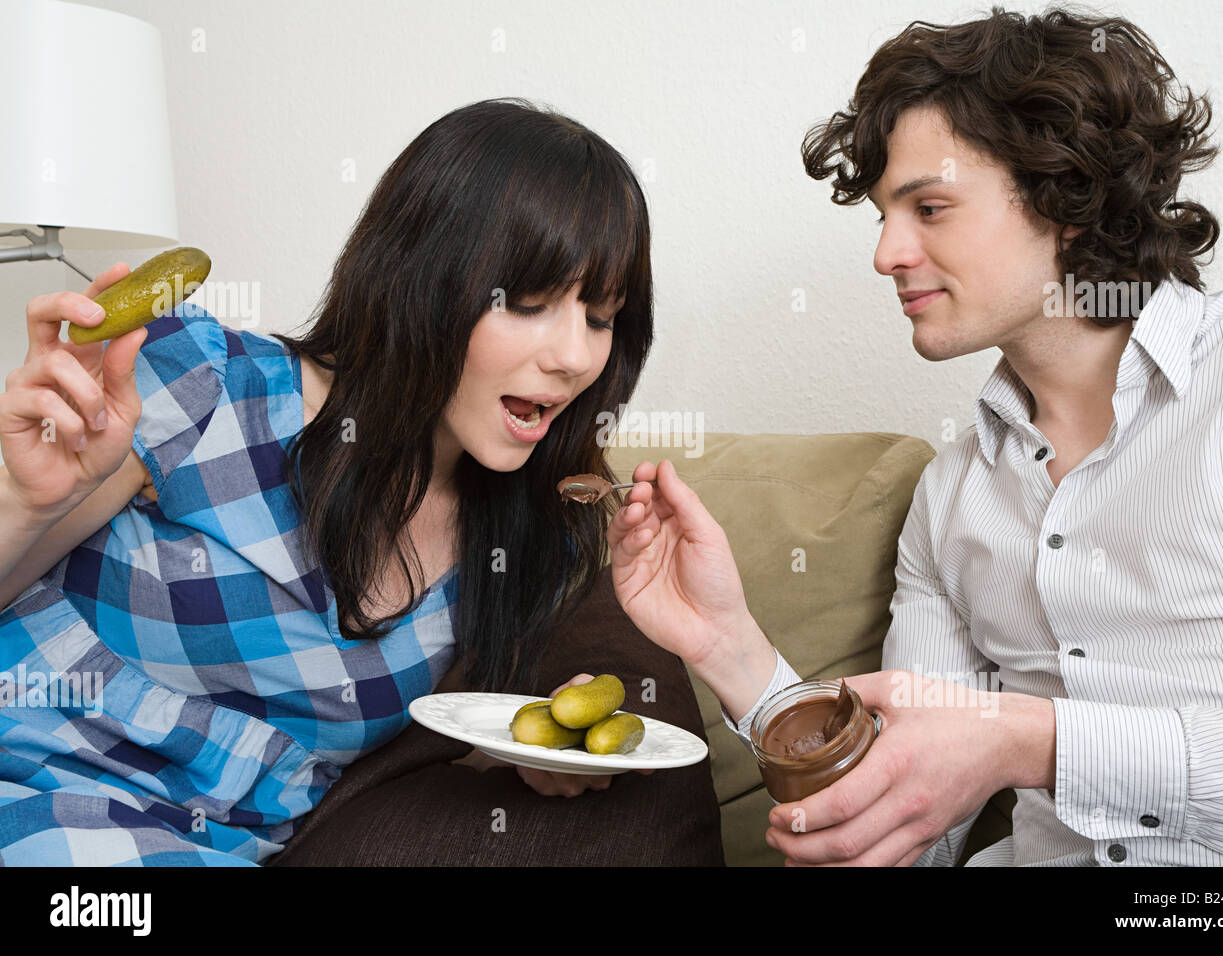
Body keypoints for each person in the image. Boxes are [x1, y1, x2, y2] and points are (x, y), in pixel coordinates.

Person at [606, 6, 1223, 866]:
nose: (886, 253)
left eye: (929, 207)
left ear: (1067, 195)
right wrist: (731, 647)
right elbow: (901, 838)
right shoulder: (953, 496)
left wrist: (1033, 742)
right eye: (884, 218)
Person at [0, 98, 702, 865]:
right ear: (417, 279)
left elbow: (425, 743)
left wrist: (522, 757)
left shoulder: (531, 538)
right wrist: (30, 501)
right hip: (32, 792)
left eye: (601, 316)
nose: (573, 355)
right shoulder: (201, 383)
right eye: (529, 304)